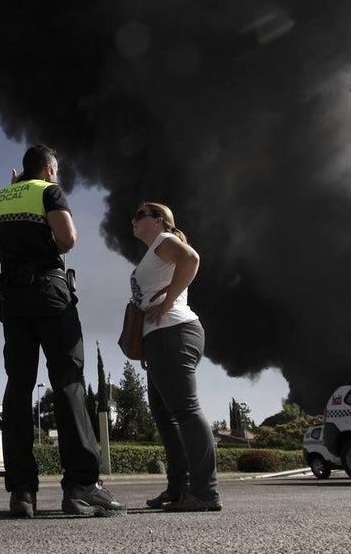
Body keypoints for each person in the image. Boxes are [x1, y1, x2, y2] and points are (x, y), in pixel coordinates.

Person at [0, 145, 122, 518]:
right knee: (68, 383)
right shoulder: (48, 191)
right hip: (48, 293)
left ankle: (22, 492)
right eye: (56, 171)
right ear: (48, 169)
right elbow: (68, 240)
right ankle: (81, 486)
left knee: (18, 387)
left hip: (12, 300)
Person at [129, 201, 220, 512]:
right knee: (165, 418)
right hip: (160, 340)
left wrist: (167, 303)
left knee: (185, 411)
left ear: (159, 221)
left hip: (174, 332)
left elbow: (191, 259)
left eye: (140, 215)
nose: (134, 220)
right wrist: (145, 345)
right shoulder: (154, 249)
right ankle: (178, 489)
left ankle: (205, 492)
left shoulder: (165, 241)